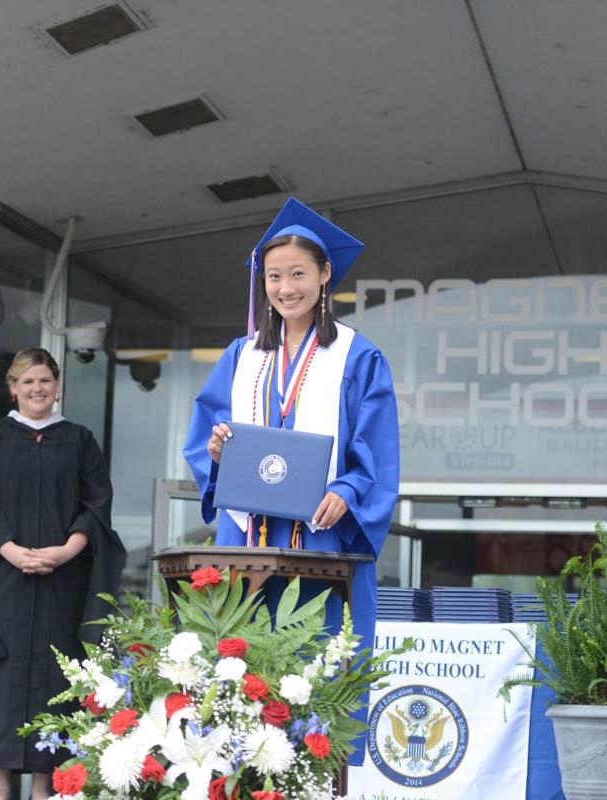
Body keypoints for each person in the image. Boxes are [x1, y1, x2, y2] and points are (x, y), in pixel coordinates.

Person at [183, 198, 400, 763]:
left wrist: (347, 491)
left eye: (298, 274)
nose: (286, 288)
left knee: (318, 674)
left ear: (325, 275)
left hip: (321, 542)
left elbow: (376, 452)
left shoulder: (357, 356)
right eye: (274, 276)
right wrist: (216, 453)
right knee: (242, 679)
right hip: (247, 545)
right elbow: (206, 438)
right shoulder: (242, 355)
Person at [0, 347, 125, 800]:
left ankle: (45, 786)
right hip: (4, 582)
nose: (37, 389)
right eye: (27, 381)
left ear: (58, 386)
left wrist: (65, 552)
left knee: (56, 678)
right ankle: (1, 787)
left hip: (63, 583)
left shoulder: (80, 441)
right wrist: (10, 551)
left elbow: (97, 505)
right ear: (13, 388)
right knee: (1, 679)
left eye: (44, 380)